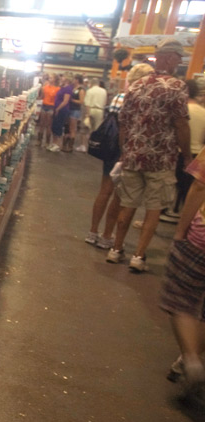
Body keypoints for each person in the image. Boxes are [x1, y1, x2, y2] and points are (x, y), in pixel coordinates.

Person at [105, 38, 190, 273]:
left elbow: (123, 123)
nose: (180, 62)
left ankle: (116, 249)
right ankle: (138, 256)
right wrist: (187, 156)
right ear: (171, 58)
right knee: (153, 208)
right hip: (161, 160)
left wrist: (125, 151)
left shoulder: (136, 85)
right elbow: (181, 124)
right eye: (179, 58)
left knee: (128, 203)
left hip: (133, 156)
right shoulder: (176, 87)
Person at [86, 64, 155, 249]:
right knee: (118, 195)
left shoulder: (119, 96)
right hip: (127, 148)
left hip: (111, 146)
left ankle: (93, 232)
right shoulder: (141, 98)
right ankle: (107, 236)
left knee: (104, 190)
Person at [160, 152, 205, 391]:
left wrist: (180, 231)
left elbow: (199, 186)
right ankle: (188, 358)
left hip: (201, 239)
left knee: (182, 298)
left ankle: (190, 358)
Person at [160, 79, 205, 223]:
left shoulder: (181, 111)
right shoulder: (203, 112)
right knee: (188, 191)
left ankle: (160, 214)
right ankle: (187, 222)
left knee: (166, 187)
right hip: (197, 155)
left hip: (177, 153)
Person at [47, 76, 72, 153]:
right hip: (57, 108)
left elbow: (65, 101)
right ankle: (54, 143)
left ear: (67, 79)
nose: (61, 78)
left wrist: (58, 109)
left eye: (63, 77)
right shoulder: (62, 87)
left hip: (62, 110)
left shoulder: (68, 89)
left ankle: (57, 144)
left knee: (58, 126)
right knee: (54, 126)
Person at [38, 74, 60, 147]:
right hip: (44, 106)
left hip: (51, 107)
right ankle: (39, 141)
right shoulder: (44, 87)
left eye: (51, 78)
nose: (49, 79)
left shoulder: (57, 89)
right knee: (41, 124)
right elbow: (42, 96)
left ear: (55, 79)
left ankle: (47, 142)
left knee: (48, 125)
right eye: (49, 78)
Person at [67, 74, 86, 152]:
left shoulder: (81, 89)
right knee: (69, 127)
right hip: (70, 109)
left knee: (73, 128)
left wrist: (72, 100)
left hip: (75, 110)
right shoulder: (73, 88)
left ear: (77, 80)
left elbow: (81, 101)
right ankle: (68, 144)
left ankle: (71, 146)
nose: (73, 80)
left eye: (74, 79)